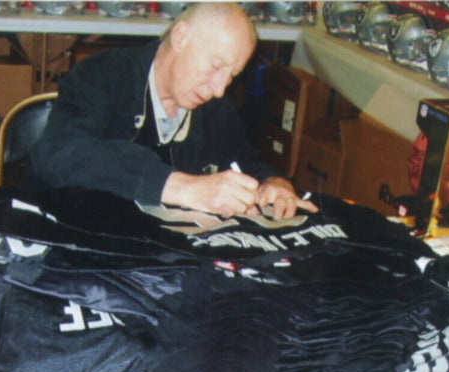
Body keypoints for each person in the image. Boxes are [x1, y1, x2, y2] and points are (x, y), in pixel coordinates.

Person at [30, 2, 318, 219]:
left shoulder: (217, 110)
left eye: (231, 76)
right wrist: (181, 188)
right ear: (181, 37)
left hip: (155, 254)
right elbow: (59, 152)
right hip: (77, 232)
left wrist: (272, 184)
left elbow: (244, 164)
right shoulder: (103, 74)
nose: (220, 89)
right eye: (216, 66)